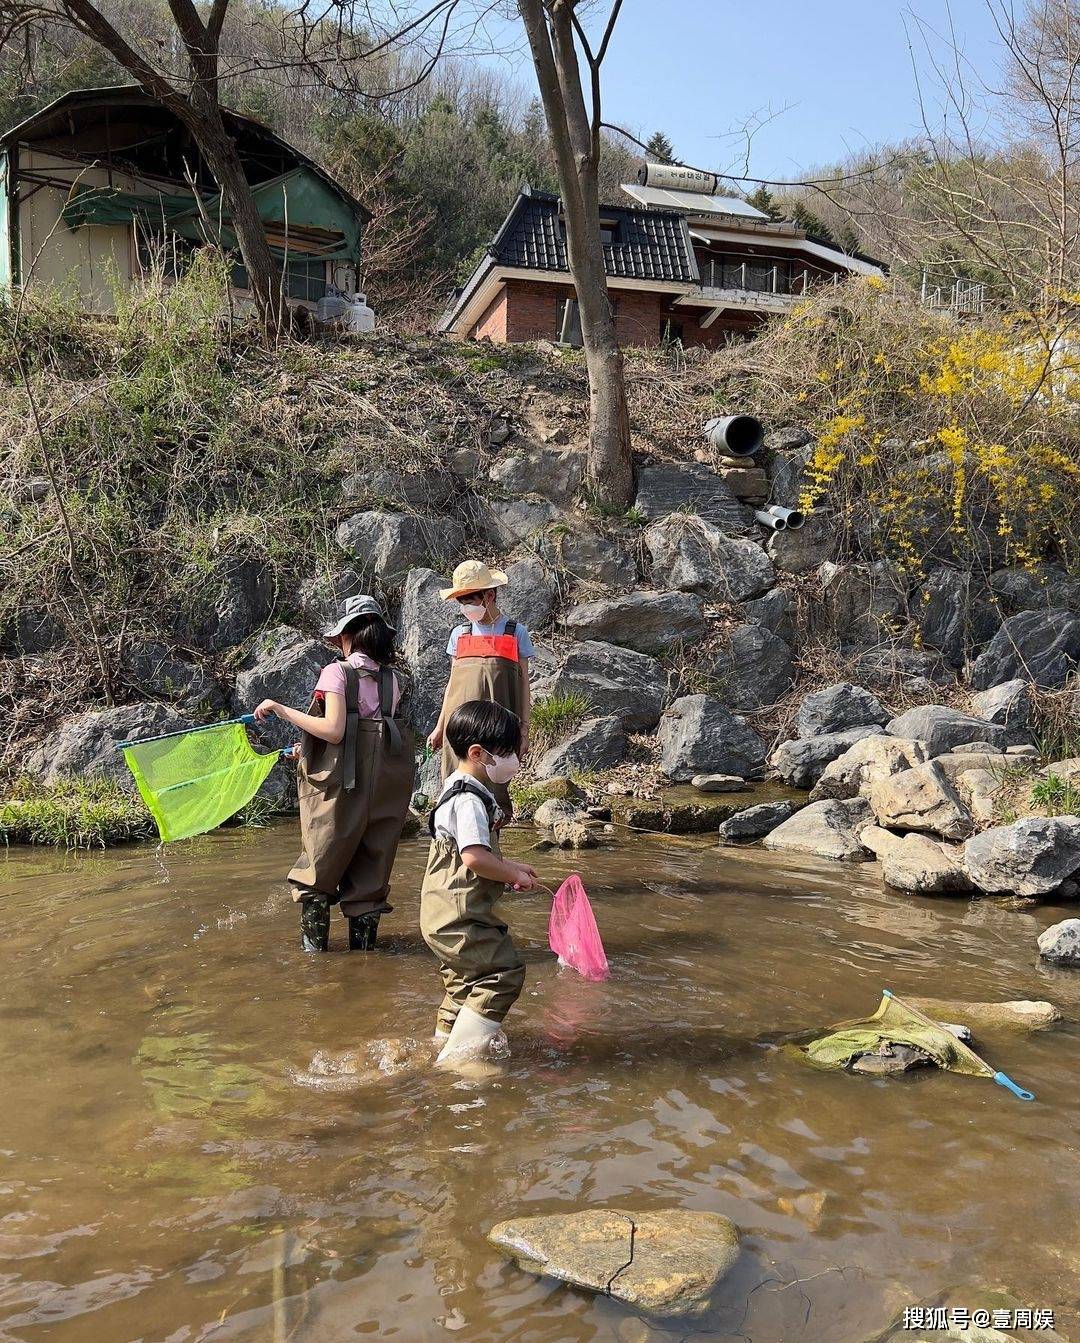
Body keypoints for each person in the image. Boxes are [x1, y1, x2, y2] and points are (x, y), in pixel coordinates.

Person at [253, 594, 414, 953]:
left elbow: (335, 730)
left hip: (340, 788)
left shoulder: (336, 672)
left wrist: (280, 709)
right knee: (371, 872)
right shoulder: (393, 680)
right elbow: (370, 729)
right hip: (384, 787)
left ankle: (317, 967)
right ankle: (364, 963)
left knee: (319, 870)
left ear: (349, 635)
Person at [421, 699, 537, 1061]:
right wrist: (511, 873)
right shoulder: (469, 799)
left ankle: (441, 1042)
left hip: (440, 914)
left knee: (462, 983)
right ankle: (461, 1060)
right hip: (460, 917)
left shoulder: (455, 787)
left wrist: (511, 865)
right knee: (503, 972)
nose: (516, 763)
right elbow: (473, 857)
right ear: (478, 753)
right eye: (509, 754)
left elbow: (465, 853)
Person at [427, 559, 535, 819]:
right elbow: (452, 683)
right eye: (461, 601)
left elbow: (523, 684)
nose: (465, 607)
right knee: (456, 787)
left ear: (490, 595)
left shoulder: (515, 633)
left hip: (498, 731)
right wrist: (440, 727)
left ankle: (489, 852)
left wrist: (524, 730)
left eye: (470, 600)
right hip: (459, 728)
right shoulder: (459, 634)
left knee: (495, 793)